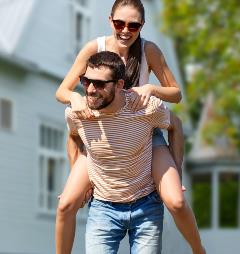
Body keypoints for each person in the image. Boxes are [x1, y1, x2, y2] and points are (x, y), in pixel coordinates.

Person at [55, 1, 205, 254]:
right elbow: (62, 90)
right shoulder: (96, 49)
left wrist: (151, 88)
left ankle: (198, 249)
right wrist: (75, 97)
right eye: (119, 23)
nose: (126, 30)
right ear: (110, 19)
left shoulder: (149, 50)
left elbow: (177, 94)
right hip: (100, 133)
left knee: (175, 201)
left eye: (134, 25)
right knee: (67, 202)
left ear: (142, 26)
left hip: (143, 129)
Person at [65, 50, 177, 253]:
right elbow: (73, 136)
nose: (90, 89)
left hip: (147, 207)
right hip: (103, 209)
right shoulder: (78, 113)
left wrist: (176, 170)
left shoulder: (146, 109)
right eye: (86, 81)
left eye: (99, 84)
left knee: (177, 202)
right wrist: (80, 180)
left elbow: (175, 126)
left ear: (119, 85)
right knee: (64, 205)